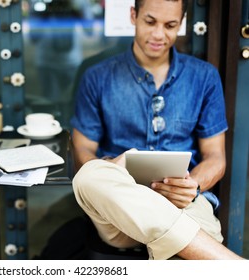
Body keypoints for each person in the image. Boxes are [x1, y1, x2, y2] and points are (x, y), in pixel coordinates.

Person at [70, 0, 245, 260]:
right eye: (150, 22)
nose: (158, 35)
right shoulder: (97, 76)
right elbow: (82, 148)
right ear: (133, 16)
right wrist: (109, 166)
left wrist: (193, 185)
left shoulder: (204, 77)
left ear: (181, 24)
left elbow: (216, 158)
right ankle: (234, 266)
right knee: (87, 177)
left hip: (183, 204)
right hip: (120, 205)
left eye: (170, 25)